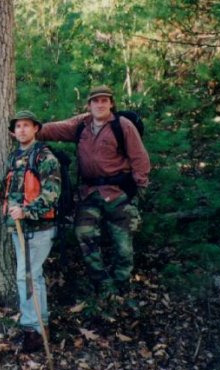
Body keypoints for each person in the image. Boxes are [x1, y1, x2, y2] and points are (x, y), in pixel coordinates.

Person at [38, 85, 150, 295]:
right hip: (89, 193)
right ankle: (102, 284)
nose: (100, 104)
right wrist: (28, 129)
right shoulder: (82, 124)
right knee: (84, 234)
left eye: (104, 100)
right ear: (89, 105)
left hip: (118, 193)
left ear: (111, 103)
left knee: (123, 246)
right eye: (95, 101)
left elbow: (139, 157)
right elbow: (54, 129)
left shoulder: (122, 125)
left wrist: (139, 188)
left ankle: (121, 285)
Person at [0, 110, 61, 353]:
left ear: (35, 129)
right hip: (19, 228)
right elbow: (8, 191)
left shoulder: (44, 156)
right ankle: (39, 326)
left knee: (28, 277)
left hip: (38, 227)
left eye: (26, 125)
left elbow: (52, 194)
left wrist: (27, 211)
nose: (22, 130)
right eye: (18, 126)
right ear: (13, 132)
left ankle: (33, 330)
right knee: (32, 276)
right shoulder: (15, 157)